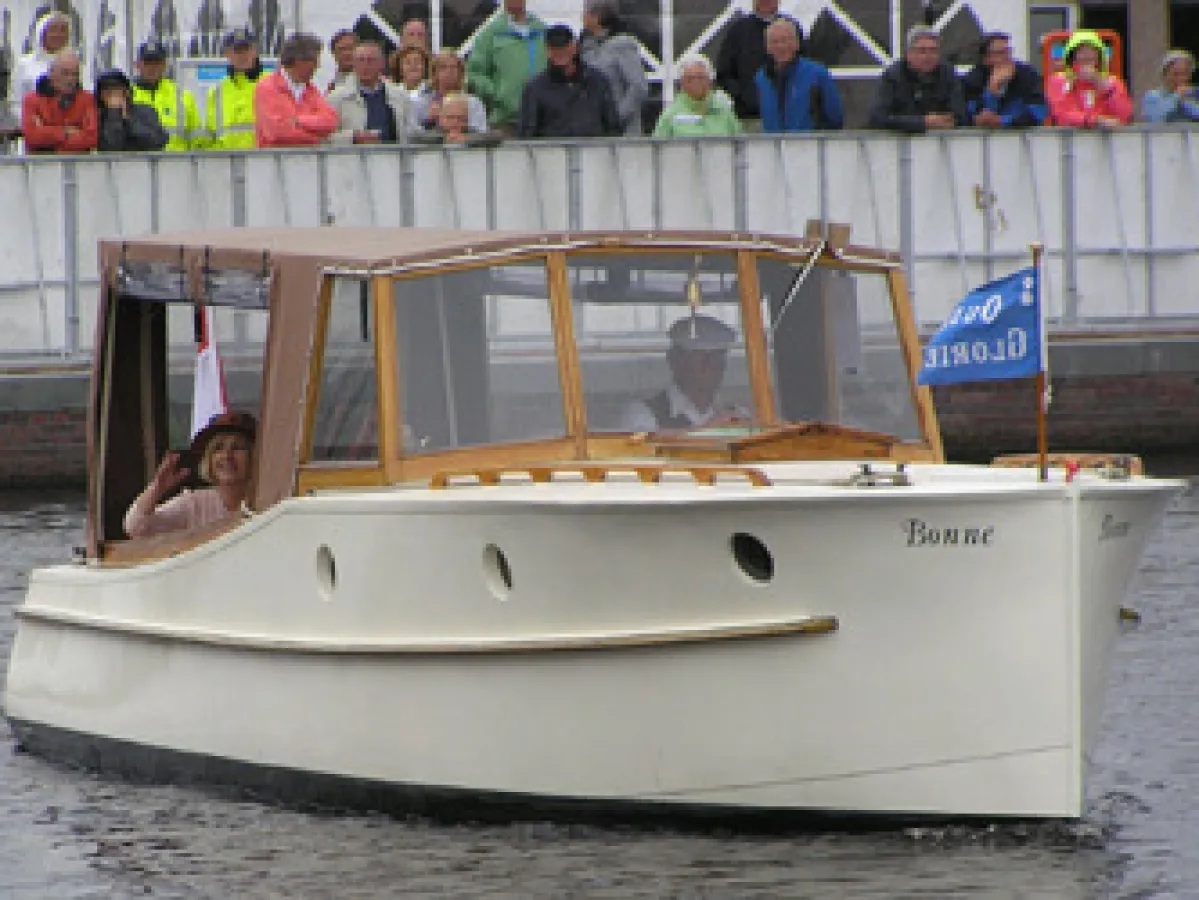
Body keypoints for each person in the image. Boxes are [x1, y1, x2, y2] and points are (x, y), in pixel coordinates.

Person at [124, 411, 256, 539]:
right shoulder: (194, 505)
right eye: (218, 448)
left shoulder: (268, 499)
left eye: (238, 447)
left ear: (254, 456)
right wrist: (156, 489)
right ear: (209, 459)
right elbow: (135, 527)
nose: (227, 456)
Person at [618, 314, 748, 433]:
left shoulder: (738, 414)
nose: (711, 365)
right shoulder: (643, 415)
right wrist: (709, 430)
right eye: (700, 355)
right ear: (675, 360)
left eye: (718, 356)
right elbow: (646, 455)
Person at [518, 24, 621, 139]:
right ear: (547, 50)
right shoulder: (534, 89)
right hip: (551, 153)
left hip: (595, 153)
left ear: (574, 47)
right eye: (554, 48)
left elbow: (613, 126)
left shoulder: (598, 81)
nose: (560, 52)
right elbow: (527, 134)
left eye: (564, 47)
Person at [466, 0, 547, 136]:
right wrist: (498, 93)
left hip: (543, 120)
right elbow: (475, 73)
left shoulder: (542, 31)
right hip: (505, 122)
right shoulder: (490, 34)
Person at [867, 26, 966, 133]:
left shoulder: (948, 75)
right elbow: (878, 118)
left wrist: (946, 120)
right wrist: (922, 122)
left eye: (933, 51)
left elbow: (960, 115)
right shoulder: (892, 77)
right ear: (908, 54)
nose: (928, 56)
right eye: (922, 51)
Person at [756, 18, 843, 132]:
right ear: (767, 47)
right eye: (775, 41)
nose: (781, 46)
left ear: (797, 44)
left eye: (786, 40)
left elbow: (835, 118)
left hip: (810, 145)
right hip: (774, 146)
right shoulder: (761, 78)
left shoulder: (817, 74)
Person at [254, 32, 339, 148]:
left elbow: (331, 121)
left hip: (307, 162)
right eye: (314, 61)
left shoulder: (311, 90)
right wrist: (317, 138)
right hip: (275, 163)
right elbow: (276, 133)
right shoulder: (267, 88)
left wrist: (298, 121)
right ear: (299, 61)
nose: (317, 66)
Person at [716, 0, 790, 129]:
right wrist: (744, 96)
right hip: (748, 118)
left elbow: (804, 69)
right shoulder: (738, 31)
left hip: (787, 118)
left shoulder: (792, 29)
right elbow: (724, 73)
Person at [579, 1, 648, 136]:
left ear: (597, 18)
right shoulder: (585, 46)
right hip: (593, 130)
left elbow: (638, 86)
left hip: (623, 133)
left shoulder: (622, 46)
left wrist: (616, 117)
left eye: (586, 14)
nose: (583, 17)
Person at [1046, 30, 1133, 128]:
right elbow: (1060, 115)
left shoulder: (1112, 82)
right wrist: (1094, 121)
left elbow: (1124, 116)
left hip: (1105, 140)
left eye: (1091, 59)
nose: (1086, 64)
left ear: (1099, 60)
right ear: (1071, 59)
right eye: (1081, 58)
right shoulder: (1059, 80)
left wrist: (1105, 88)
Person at [330, 41, 409, 145]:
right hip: (354, 159)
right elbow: (325, 138)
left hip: (392, 158)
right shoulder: (336, 98)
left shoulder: (400, 96)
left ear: (381, 63)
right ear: (353, 63)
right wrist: (353, 138)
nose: (365, 65)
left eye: (370, 60)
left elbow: (411, 135)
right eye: (360, 60)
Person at [961, 31, 1046, 128]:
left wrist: (1003, 120)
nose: (1006, 57)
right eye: (1000, 53)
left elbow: (1039, 111)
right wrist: (992, 92)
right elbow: (970, 114)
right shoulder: (973, 79)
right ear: (985, 59)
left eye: (1008, 51)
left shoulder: (1027, 74)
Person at [131, 40, 205, 150]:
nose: (152, 67)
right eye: (147, 62)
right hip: (139, 165)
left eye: (157, 62)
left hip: (178, 164)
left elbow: (198, 140)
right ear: (137, 65)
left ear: (164, 65)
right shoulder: (127, 96)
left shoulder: (183, 97)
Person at [22, 51, 97, 154]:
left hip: (78, 164)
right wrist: (65, 132)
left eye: (75, 74)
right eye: (65, 73)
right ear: (51, 73)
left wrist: (47, 136)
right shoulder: (32, 100)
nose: (70, 79)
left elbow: (90, 139)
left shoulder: (87, 99)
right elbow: (32, 137)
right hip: (40, 165)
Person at [204, 28, 265, 151]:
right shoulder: (216, 92)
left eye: (246, 49)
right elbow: (210, 136)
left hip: (261, 162)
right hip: (225, 164)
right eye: (237, 51)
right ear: (227, 54)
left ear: (255, 51)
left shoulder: (272, 85)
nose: (243, 55)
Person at [653, 55, 740, 138]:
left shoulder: (725, 112)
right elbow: (657, 149)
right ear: (682, 83)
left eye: (701, 77)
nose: (696, 82)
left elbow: (740, 144)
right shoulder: (670, 115)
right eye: (690, 78)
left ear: (710, 81)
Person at [409, 50, 488, 135]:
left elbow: (480, 135)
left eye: (453, 67)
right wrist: (428, 120)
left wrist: (460, 124)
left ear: (460, 73)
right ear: (434, 73)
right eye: (443, 67)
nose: (449, 71)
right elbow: (411, 135)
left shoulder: (474, 103)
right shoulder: (420, 103)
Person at [13, 12, 72, 116]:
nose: (58, 35)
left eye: (63, 30)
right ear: (42, 33)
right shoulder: (25, 64)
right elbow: (16, 100)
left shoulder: (73, 63)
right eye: (53, 30)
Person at [95, 69, 168, 152]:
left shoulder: (146, 111)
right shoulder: (97, 116)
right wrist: (114, 114)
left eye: (117, 91)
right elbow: (110, 147)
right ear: (100, 96)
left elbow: (157, 142)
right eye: (108, 92)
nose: (113, 96)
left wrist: (128, 120)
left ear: (127, 92)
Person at [1141, 49, 1199, 124]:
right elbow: (1155, 118)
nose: (1181, 78)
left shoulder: (1192, 96)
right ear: (1165, 75)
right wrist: (1176, 97)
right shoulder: (1152, 96)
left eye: (1185, 74)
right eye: (1176, 74)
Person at [326, 29, 359, 94]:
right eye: (342, 49)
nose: (347, 53)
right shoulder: (329, 84)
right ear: (333, 53)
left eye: (351, 48)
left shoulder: (370, 80)